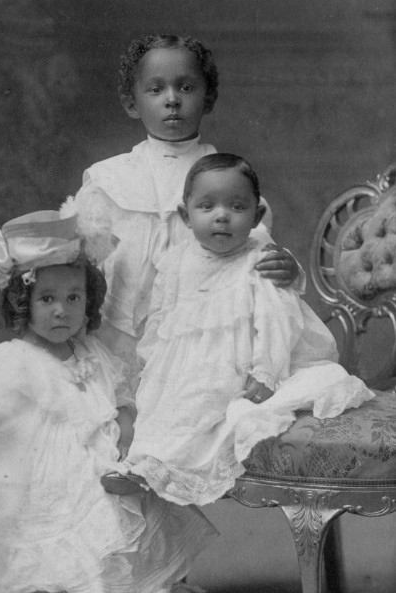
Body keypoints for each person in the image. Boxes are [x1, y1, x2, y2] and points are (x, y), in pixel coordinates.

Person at [0, 206, 218, 593]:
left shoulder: (90, 351)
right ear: (23, 303)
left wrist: (125, 429)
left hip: (101, 452)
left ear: (88, 300)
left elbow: (120, 399)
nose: (62, 311)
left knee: (145, 483)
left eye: (73, 298)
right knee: (102, 500)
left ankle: (162, 586)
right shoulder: (15, 361)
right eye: (47, 299)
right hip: (43, 479)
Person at [102, 154, 374, 505]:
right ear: (186, 216)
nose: (221, 215)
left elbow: (277, 320)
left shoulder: (260, 258)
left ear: (257, 215)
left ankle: (155, 466)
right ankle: (144, 465)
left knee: (206, 409)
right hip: (187, 365)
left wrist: (265, 372)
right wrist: (151, 366)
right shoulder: (177, 262)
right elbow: (162, 321)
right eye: (206, 206)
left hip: (242, 364)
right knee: (164, 407)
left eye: (237, 206)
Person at [61, 34, 301, 392]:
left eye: (186, 87)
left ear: (208, 98)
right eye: (156, 90)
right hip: (115, 334)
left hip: (195, 341)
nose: (172, 100)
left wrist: (288, 269)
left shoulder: (227, 184)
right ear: (131, 103)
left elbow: (256, 261)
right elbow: (77, 265)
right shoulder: (107, 181)